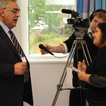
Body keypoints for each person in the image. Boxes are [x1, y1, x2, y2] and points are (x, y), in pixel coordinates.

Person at [40, 9, 106, 106]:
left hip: (96, 84)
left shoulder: (102, 42)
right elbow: (66, 46)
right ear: (92, 20)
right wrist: (52, 48)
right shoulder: (80, 34)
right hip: (79, 78)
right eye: (95, 21)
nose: (96, 24)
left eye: (101, 23)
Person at [0, 0, 33, 106]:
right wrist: (12, 69)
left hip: (14, 95)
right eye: (15, 11)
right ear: (2, 12)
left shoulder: (7, 32)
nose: (18, 15)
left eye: (18, 11)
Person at [77, 22, 106, 106]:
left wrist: (83, 76)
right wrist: (86, 70)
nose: (93, 35)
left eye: (97, 32)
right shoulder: (102, 51)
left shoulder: (104, 52)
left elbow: (103, 81)